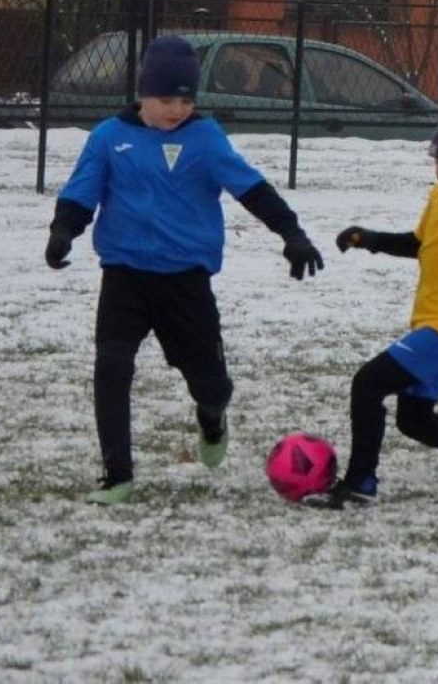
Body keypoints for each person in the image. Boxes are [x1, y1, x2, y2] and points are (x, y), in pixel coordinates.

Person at [45, 35, 325, 505]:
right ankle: (118, 476)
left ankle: (212, 418)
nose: (176, 109)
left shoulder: (205, 139)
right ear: (142, 94)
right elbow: (81, 191)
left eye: (185, 99)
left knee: (211, 384)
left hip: (185, 283)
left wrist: (291, 234)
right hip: (125, 277)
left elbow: (251, 189)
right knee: (111, 366)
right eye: (165, 99)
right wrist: (63, 231)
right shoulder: (109, 138)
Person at [304, 106, 438, 509]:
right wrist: (369, 239)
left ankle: (359, 484)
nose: (435, 169)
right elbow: (419, 244)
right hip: (432, 321)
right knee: (415, 419)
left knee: (368, 383)